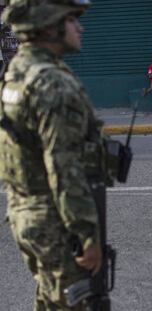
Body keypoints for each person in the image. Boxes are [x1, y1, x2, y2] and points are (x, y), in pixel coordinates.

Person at [0, 0, 109, 309]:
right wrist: (86, 235)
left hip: (25, 213)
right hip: (54, 220)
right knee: (75, 302)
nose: (80, 27)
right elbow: (64, 167)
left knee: (52, 300)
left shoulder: (17, 70)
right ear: (50, 25)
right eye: (73, 19)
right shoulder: (53, 84)